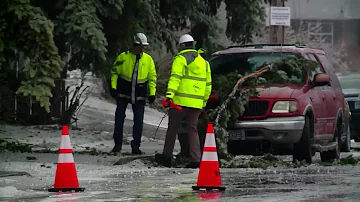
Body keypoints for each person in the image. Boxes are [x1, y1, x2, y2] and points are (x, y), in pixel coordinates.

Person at [155, 34, 212, 168]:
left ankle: (167, 157)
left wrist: (169, 96)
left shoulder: (180, 59)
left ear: (181, 46)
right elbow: (208, 86)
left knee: (172, 128)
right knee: (193, 130)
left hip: (179, 102)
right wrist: (203, 103)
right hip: (197, 103)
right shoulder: (204, 63)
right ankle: (196, 159)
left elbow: (176, 78)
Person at [110, 33, 157, 155]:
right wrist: (113, 87)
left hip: (139, 94)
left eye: (143, 47)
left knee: (139, 121)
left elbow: (152, 78)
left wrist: (152, 93)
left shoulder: (148, 60)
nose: (142, 49)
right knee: (119, 118)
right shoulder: (123, 57)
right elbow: (114, 73)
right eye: (140, 46)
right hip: (123, 93)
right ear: (134, 45)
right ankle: (117, 144)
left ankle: (136, 146)